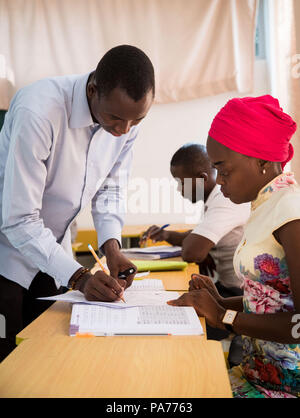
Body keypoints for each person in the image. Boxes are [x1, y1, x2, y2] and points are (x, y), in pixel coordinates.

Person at [0, 45, 155, 361]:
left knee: (54, 351)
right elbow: (18, 220)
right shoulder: (39, 110)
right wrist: (78, 277)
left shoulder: (124, 121)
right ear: (92, 89)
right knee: (9, 357)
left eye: (135, 121)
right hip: (6, 249)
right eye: (115, 118)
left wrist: (111, 248)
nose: (123, 131)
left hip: (52, 248)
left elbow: (109, 189)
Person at [168, 95, 300, 398]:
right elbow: (272, 300)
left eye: (224, 171)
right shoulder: (265, 205)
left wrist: (223, 317)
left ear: (262, 161)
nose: (220, 181)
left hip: (284, 386)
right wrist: (217, 302)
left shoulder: (291, 213)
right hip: (258, 372)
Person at [141, 143, 250, 299]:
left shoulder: (225, 200)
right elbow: (196, 236)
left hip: (239, 294)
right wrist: (166, 235)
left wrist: (202, 250)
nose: (179, 189)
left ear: (202, 178)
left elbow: (192, 252)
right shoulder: (213, 200)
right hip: (226, 287)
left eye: (182, 183)